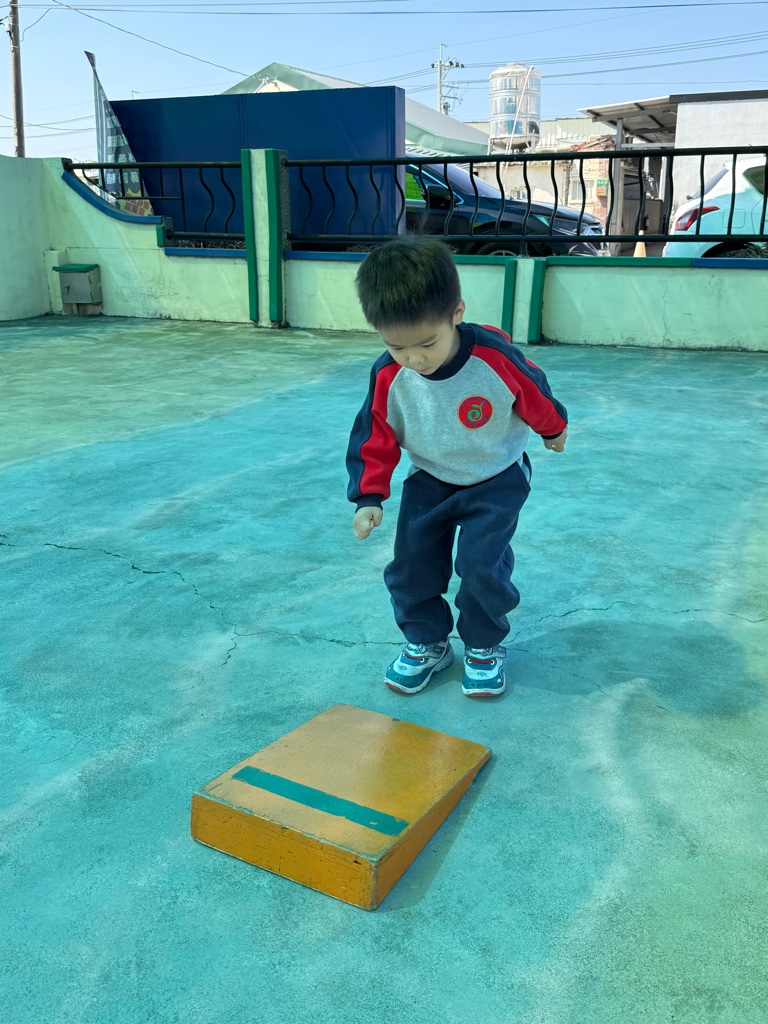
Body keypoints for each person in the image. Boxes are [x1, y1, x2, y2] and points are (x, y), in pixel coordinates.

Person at [345, 237, 568, 698]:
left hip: (497, 476)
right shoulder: (389, 374)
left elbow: (533, 389)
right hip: (430, 477)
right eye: (397, 346)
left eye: (427, 343)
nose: (415, 359)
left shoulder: (493, 357)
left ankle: (484, 645)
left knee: (480, 565)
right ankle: (428, 641)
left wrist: (553, 427)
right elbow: (374, 433)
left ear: (457, 313)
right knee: (411, 566)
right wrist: (368, 496)